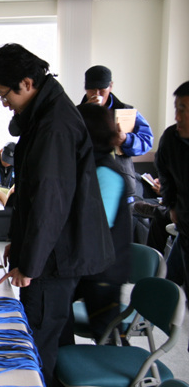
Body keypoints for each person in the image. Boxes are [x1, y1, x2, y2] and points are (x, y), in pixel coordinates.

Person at [0, 43, 115, 387]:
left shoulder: (54, 124)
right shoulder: (46, 112)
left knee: (38, 344)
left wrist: (30, 263)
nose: (4, 103)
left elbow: (49, 202)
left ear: (27, 83)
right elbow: (33, 194)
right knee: (54, 336)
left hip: (56, 256)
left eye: (4, 94)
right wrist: (20, 243)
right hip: (56, 250)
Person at [70, 104, 133, 341]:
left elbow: (97, 223)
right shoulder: (91, 164)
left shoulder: (106, 172)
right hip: (89, 267)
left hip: (104, 273)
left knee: (107, 335)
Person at [80, 65, 154, 198]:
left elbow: (147, 140)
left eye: (102, 90)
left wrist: (126, 139)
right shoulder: (75, 113)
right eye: (91, 90)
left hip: (121, 185)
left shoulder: (127, 112)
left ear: (111, 86)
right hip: (85, 183)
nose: (97, 94)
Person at [156, 81, 189, 301]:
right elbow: (164, 173)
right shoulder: (171, 138)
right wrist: (171, 204)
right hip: (185, 224)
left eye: (183, 110)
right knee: (171, 283)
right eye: (176, 108)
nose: (177, 116)